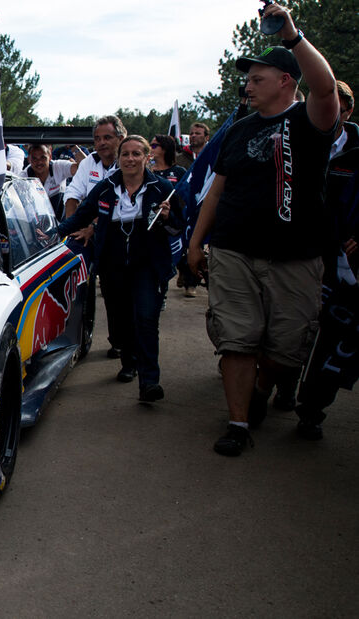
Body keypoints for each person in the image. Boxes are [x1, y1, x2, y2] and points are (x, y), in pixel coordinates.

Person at [187, 3, 340, 456]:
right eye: (247, 79)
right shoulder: (237, 130)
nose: (247, 85)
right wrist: (196, 244)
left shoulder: (311, 120)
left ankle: (260, 388)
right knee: (236, 340)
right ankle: (238, 423)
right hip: (234, 251)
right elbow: (216, 192)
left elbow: (327, 86)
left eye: (257, 78)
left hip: (296, 257)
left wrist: (292, 36)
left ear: (285, 82)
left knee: (284, 349)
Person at [56, 135, 183, 401]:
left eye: (137, 154)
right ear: (120, 158)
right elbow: (80, 216)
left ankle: (150, 381)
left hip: (148, 265)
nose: (130, 159)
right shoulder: (105, 188)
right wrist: (53, 234)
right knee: (121, 319)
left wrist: (169, 217)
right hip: (113, 265)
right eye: (126, 154)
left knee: (146, 320)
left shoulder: (161, 189)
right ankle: (128, 362)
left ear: (147, 157)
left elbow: (178, 227)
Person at [292, 79, 359, 439]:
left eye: (341, 105)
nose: (334, 112)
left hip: (345, 261)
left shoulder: (356, 151)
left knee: (337, 340)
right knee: (304, 327)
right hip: (305, 254)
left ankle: (311, 407)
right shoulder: (296, 142)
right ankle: (299, 398)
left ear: (348, 111)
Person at [63, 115, 126, 360]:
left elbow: (119, 205)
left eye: (107, 138)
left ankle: (121, 342)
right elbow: (73, 193)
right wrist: (72, 227)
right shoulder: (90, 161)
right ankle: (74, 336)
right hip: (89, 231)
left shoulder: (128, 162)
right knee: (76, 275)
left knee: (115, 292)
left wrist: (93, 228)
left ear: (120, 138)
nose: (101, 143)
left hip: (120, 236)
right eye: (97, 138)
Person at [150, 134, 195, 298]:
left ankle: (165, 292)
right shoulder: (146, 171)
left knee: (170, 261)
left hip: (171, 226)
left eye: (155, 145)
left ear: (165, 149)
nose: (151, 148)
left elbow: (186, 200)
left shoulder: (179, 172)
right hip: (148, 226)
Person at [24, 143, 76, 219]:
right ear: (29, 159)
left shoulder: (59, 166)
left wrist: (73, 147)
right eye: (34, 159)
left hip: (62, 223)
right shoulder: (22, 177)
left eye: (43, 158)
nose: (39, 162)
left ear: (50, 157)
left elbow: (85, 169)